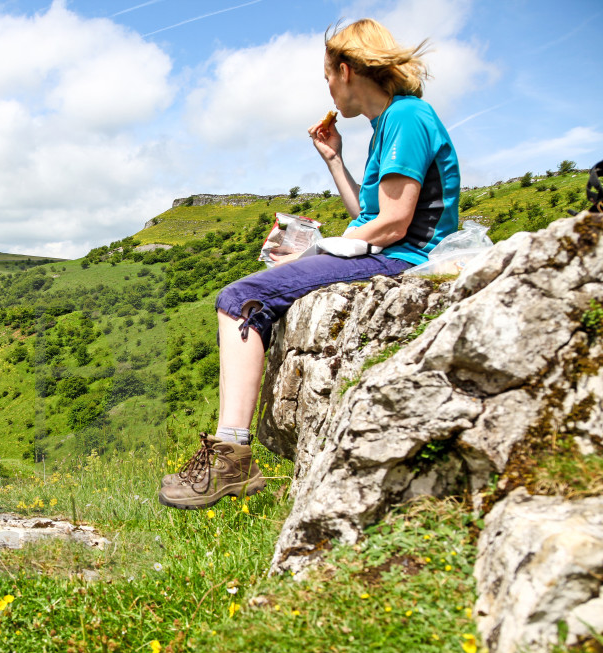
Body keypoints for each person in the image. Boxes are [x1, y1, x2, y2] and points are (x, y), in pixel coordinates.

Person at [158, 18, 460, 510]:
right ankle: (229, 457)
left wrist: (319, 252)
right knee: (260, 288)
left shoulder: (406, 118)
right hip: (391, 252)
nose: (328, 90)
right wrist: (334, 160)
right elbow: (370, 217)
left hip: (401, 260)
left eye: (326, 78)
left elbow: (394, 223)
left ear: (344, 71)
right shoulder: (392, 122)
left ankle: (230, 458)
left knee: (240, 299)